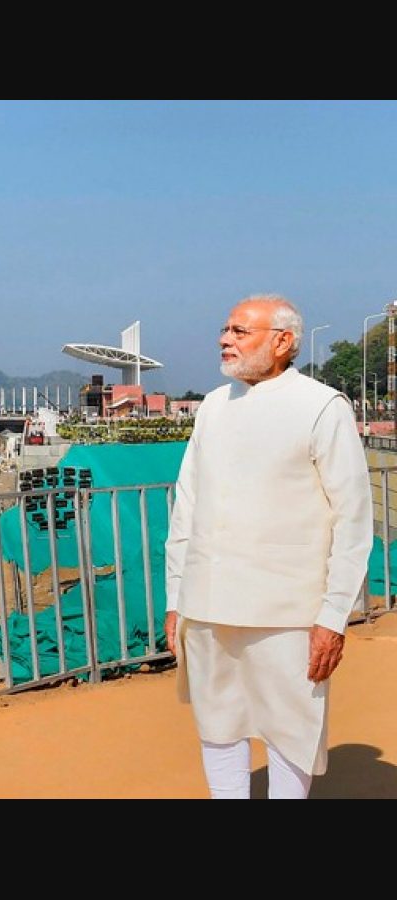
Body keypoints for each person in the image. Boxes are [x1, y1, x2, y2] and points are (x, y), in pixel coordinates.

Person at [165, 295, 373, 800]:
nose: (225, 340)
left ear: (282, 342)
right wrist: (177, 600)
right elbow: (187, 509)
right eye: (226, 329)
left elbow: (353, 518)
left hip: (289, 611)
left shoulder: (322, 407)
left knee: (291, 733)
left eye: (240, 331)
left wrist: (332, 615)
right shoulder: (213, 407)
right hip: (209, 604)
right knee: (218, 727)